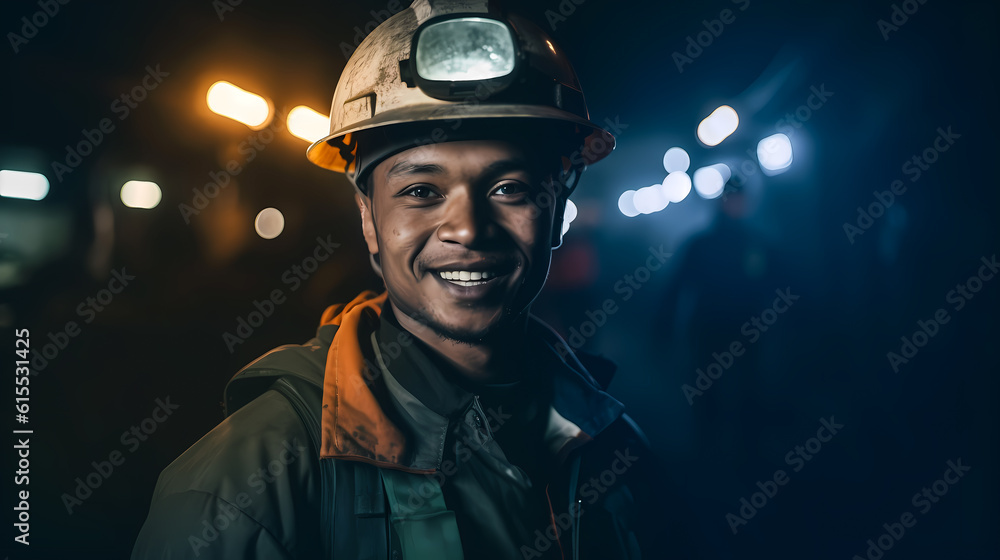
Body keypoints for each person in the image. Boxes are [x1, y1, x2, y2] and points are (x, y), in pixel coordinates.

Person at [133, 1, 674, 558]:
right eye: (421, 192)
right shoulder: (245, 488)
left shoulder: (612, 443)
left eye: (509, 187)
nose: (467, 229)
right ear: (368, 217)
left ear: (559, 208)